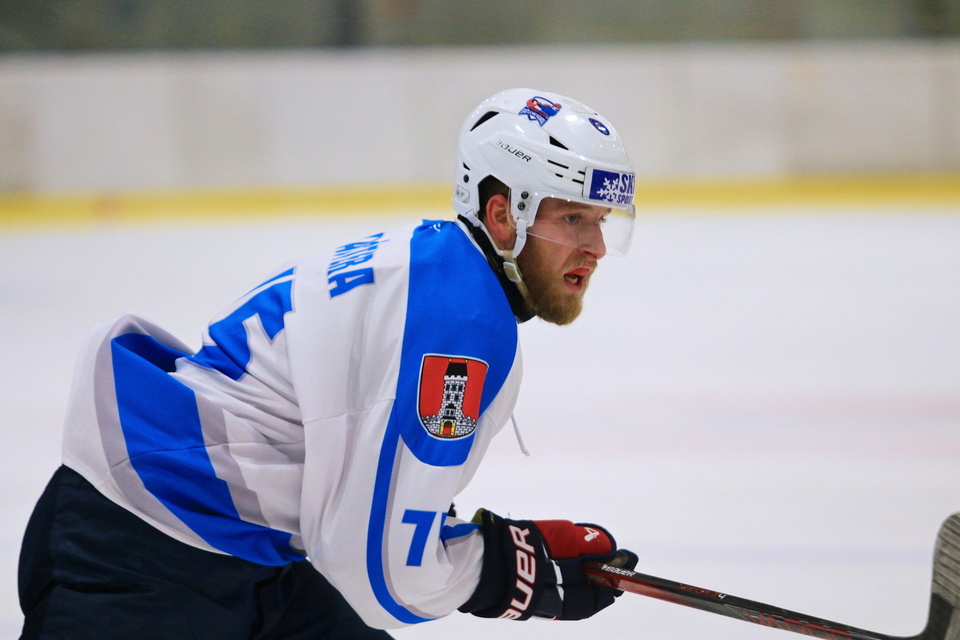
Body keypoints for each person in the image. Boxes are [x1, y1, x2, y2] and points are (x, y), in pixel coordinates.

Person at [18, 88, 640, 639]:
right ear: (504, 215)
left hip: (232, 549)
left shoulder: (433, 268)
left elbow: (360, 506)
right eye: (572, 218)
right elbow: (383, 576)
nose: (597, 247)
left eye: (601, 221)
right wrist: (511, 569)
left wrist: (501, 553)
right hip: (144, 553)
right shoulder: (462, 323)